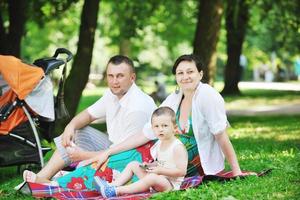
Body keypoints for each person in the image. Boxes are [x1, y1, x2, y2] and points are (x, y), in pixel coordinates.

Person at [86, 54, 242, 178]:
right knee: (127, 156)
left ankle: (98, 180)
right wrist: (109, 151)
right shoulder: (175, 98)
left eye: (190, 72)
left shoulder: (207, 95)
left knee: (134, 164)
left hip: (185, 158)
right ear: (175, 77)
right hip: (165, 151)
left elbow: (221, 135)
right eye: (180, 73)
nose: (185, 76)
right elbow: (146, 132)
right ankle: (78, 177)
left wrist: (236, 171)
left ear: (200, 74)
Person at [22, 55, 157, 184]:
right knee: (76, 131)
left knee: (84, 158)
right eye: (111, 76)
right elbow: (89, 115)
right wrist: (70, 126)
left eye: (120, 76)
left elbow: (125, 154)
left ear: (132, 77)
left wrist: (84, 155)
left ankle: (51, 183)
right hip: (114, 146)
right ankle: (41, 177)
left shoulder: (137, 108)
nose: (114, 81)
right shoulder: (113, 93)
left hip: (132, 160)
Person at [93, 106, 188, 198]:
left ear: (174, 128)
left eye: (165, 126)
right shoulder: (160, 143)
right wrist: (150, 166)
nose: (160, 129)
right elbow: (162, 162)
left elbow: (181, 171)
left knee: (152, 178)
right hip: (158, 178)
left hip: (170, 185)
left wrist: (160, 170)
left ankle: (117, 191)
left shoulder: (177, 147)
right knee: (133, 164)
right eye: (156, 126)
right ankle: (112, 186)